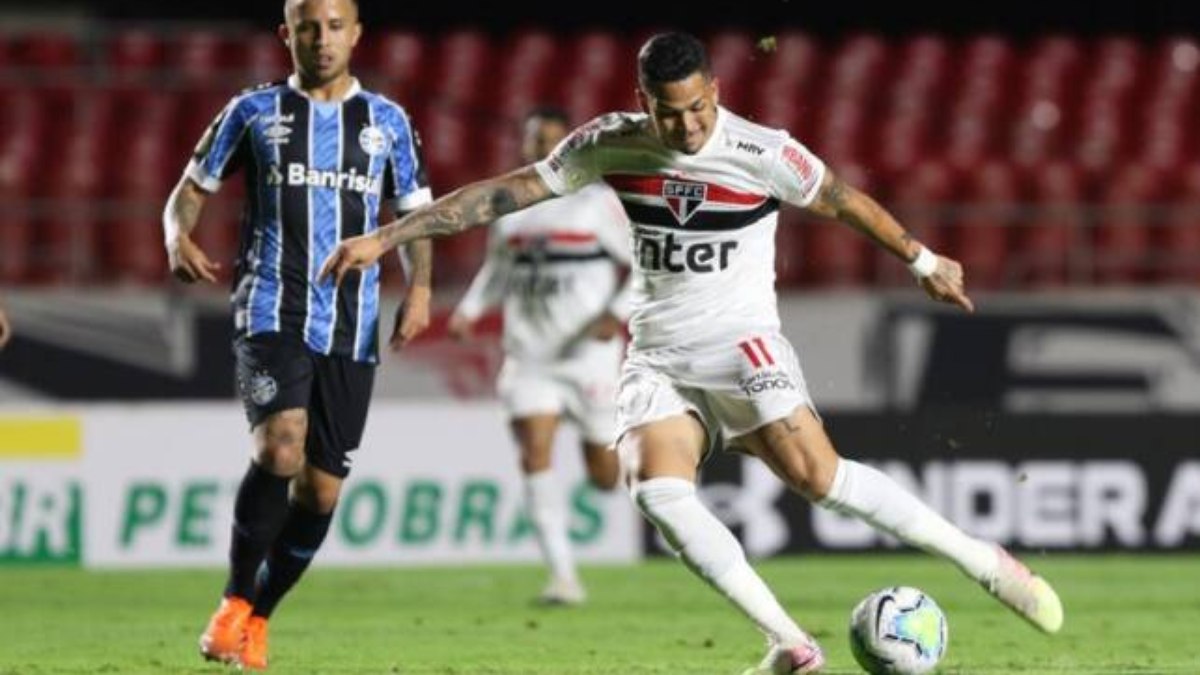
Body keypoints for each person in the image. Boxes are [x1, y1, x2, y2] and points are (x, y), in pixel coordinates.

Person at [322, 31, 1063, 674]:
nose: (684, 125)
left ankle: (981, 560)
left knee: (819, 478)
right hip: (659, 354)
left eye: (697, 107)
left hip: (742, 342)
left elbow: (842, 199)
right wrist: (388, 237)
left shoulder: (762, 151)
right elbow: (504, 194)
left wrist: (923, 260)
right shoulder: (609, 142)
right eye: (667, 111)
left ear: (717, 89)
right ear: (642, 100)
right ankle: (792, 644)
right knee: (655, 490)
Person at [162, 0, 433, 669]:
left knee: (320, 491)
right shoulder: (251, 112)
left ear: (357, 33)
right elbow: (189, 190)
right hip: (269, 308)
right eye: (308, 27)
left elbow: (417, 214)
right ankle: (230, 600)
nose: (322, 39)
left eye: (335, 25)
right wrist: (175, 234)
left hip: (352, 323)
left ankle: (257, 615)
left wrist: (420, 288)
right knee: (279, 446)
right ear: (288, 35)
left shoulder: (388, 123)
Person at [447, 107, 630, 605]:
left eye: (552, 140)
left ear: (569, 146)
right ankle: (564, 578)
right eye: (534, 141)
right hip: (529, 355)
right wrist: (469, 310)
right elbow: (498, 271)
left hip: (587, 355)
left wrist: (616, 311)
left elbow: (646, 266)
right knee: (534, 454)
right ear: (524, 147)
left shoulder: (598, 203)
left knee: (605, 476)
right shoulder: (512, 208)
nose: (542, 149)